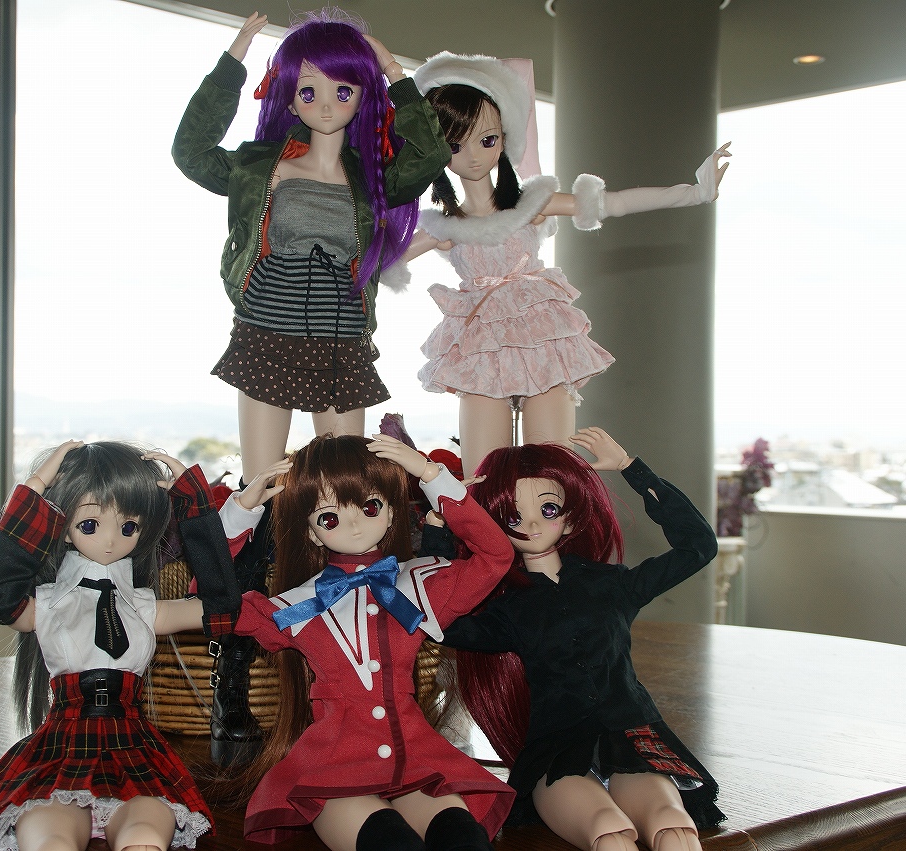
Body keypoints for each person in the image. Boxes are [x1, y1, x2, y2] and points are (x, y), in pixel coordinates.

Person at [404, 52, 730, 474]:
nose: (473, 156)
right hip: (481, 342)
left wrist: (694, 192)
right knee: (480, 477)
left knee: (554, 469)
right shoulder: (445, 226)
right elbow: (377, 262)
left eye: (487, 139)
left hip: (542, 334)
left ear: (504, 137)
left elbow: (612, 203)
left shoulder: (531, 204)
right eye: (453, 145)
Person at [172, 10, 451, 483]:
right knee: (261, 481)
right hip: (267, 331)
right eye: (308, 92)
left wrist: (394, 73)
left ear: (362, 95)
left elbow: (431, 156)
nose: (325, 106)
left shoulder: (371, 177)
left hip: (341, 336)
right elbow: (192, 151)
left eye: (342, 91)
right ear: (288, 96)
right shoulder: (263, 167)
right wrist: (232, 64)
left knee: (344, 478)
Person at [426, 428, 724, 851]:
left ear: (570, 516)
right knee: (606, 829)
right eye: (512, 517)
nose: (532, 524)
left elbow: (698, 546)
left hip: (631, 735)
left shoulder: (614, 585)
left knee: (671, 823)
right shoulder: (510, 609)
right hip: (558, 748)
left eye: (548, 508)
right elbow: (439, 618)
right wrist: (440, 526)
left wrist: (631, 469)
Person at [215, 434, 516, 851]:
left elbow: (496, 555)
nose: (355, 524)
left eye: (370, 506)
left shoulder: (420, 584)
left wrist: (432, 475)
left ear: (391, 512)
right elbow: (214, 603)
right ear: (312, 533)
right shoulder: (299, 606)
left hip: (416, 758)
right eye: (329, 518)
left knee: (463, 838)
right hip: (335, 766)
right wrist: (239, 513)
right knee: (390, 843)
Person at [0, 440, 242, 851]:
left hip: (133, 747)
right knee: (51, 838)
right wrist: (35, 491)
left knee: (146, 832)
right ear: (64, 526)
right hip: (63, 746)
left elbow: (222, 607)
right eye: (90, 524)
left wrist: (194, 506)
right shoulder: (46, 605)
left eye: (129, 527)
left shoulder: (145, 607)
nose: (111, 541)